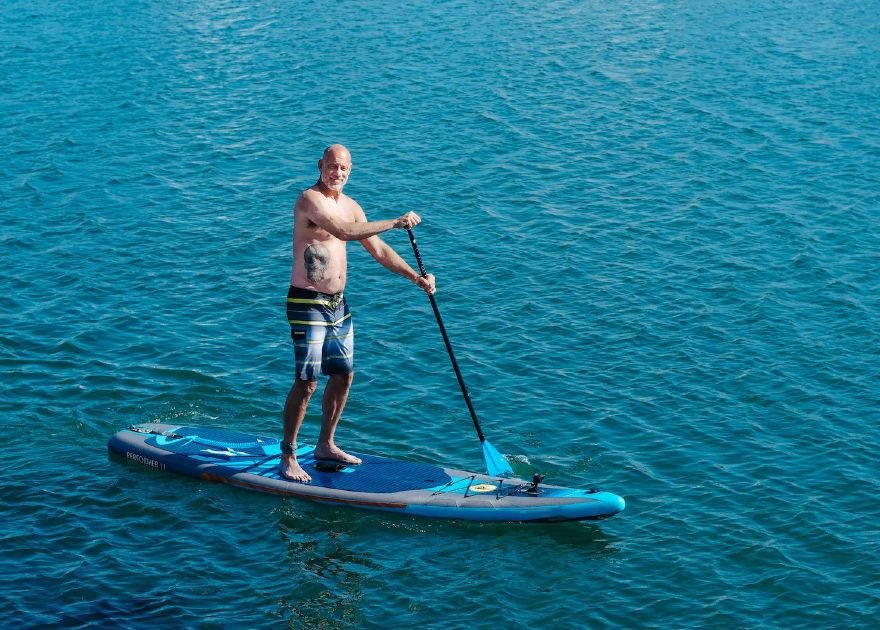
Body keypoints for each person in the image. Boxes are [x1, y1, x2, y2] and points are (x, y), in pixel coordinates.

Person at [281, 144, 436, 482]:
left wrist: (416, 279)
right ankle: (289, 454)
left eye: (344, 169)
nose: (337, 174)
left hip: (338, 304)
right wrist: (395, 222)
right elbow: (342, 232)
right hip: (307, 302)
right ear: (320, 165)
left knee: (343, 374)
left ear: (351, 171)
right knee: (307, 383)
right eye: (332, 167)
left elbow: (377, 249)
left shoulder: (352, 206)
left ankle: (325, 445)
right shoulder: (309, 199)